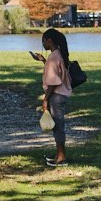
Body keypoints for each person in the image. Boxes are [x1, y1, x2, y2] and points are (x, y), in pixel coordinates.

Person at [36, 27, 72, 166]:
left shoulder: (54, 57)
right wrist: (43, 60)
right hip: (61, 94)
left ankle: (61, 157)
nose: (43, 45)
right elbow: (55, 72)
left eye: (43, 41)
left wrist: (45, 99)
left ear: (49, 40)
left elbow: (53, 82)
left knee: (58, 126)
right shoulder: (58, 55)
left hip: (56, 96)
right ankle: (58, 155)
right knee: (57, 125)